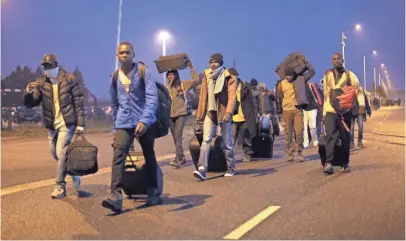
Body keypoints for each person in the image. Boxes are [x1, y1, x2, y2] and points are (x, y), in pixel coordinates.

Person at [102, 42, 160, 212]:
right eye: (121, 53)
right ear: (117, 56)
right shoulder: (114, 77)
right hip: (123, 122)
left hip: (144, 121)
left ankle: (153, 190)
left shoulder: (143, 72)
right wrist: (115, 129)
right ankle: (115, 196)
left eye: (127, 52)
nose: (124, 55)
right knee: (118, 157)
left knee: (149, 155)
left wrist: (145, 120)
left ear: (133, 54)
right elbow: (114, 104)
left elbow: (152, 99)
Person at [24, 54, 85, 198]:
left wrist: (80, 124)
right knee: (55, 154)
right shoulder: (41, 83)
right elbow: (31, 104)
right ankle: (74, 173)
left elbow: (79, 103)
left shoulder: (69, 80)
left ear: (56, 65)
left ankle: (60, 186)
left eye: (49, 66)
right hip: (52, 125)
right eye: (45, 66)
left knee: (61, 152)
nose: (47, 68)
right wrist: (28, 93)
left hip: (66, 123)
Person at [193, 53, 238, 180]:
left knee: (227, 142)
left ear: (220, 63)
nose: (213, 64)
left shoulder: (228, 76)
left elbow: (232, 96)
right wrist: (200, 113)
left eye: (215, 62)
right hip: (210, 112)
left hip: (224, 112)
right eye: (211, 62)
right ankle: (202, 169)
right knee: (206, 140)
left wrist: (229, 112)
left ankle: (231, 167)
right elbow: (203, 96)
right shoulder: (206, 76)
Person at [322, 53, 365, 174]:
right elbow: (326, 93)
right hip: (330, 111)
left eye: (338, 59)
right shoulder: (327, 75)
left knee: (345, 138)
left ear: (342, 60)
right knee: (330, 136)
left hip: (344, 112)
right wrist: (325, 111)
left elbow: (358, 90)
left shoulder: (349, 75)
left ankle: (345, 163)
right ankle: (329, 163)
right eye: (333, 59)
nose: (336, 61)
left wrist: (361, 105)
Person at [166, 60, 200, 168]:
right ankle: (181, 157)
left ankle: (179, 160)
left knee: (178, 136)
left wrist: (191, 67)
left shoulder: (183, 84)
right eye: (169, 75)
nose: (170, 77)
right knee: (175, 138)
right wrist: (169, 85)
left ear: (176, 75)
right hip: (170, 115)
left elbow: (196, 79)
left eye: (172, 75)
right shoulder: (167, 87)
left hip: (181, 113)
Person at [275, 67, 305, 162]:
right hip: (286, 110)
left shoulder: (298, 81)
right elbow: (279, 97)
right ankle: (290, 153)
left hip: (297, 110)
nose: (288, 77)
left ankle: (299, 151)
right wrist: (279, 110)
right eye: (287, 76)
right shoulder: (281, 84)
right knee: (288, 133)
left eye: (290, 75)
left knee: (299, 131)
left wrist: (306, 65)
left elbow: (311, 73)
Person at [231, 70, 259, 163]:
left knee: (246, 136)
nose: (231, 78)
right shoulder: (227, 87)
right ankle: (229, 157)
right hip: (232, 116)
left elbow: (252, 102)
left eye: (233, 76)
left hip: (244, 115)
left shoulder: (245, 86)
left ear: (236, 76)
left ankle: (248, 154)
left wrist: (255, 114)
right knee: (231, 137)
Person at [303, 82, 320, 148]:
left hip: (312, 108)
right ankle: (306, 142)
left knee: (312, 126)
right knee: (304, 127)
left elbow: (317, 95)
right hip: (304, 109)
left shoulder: (310, 85)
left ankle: (315, 140)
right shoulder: (299, 87)